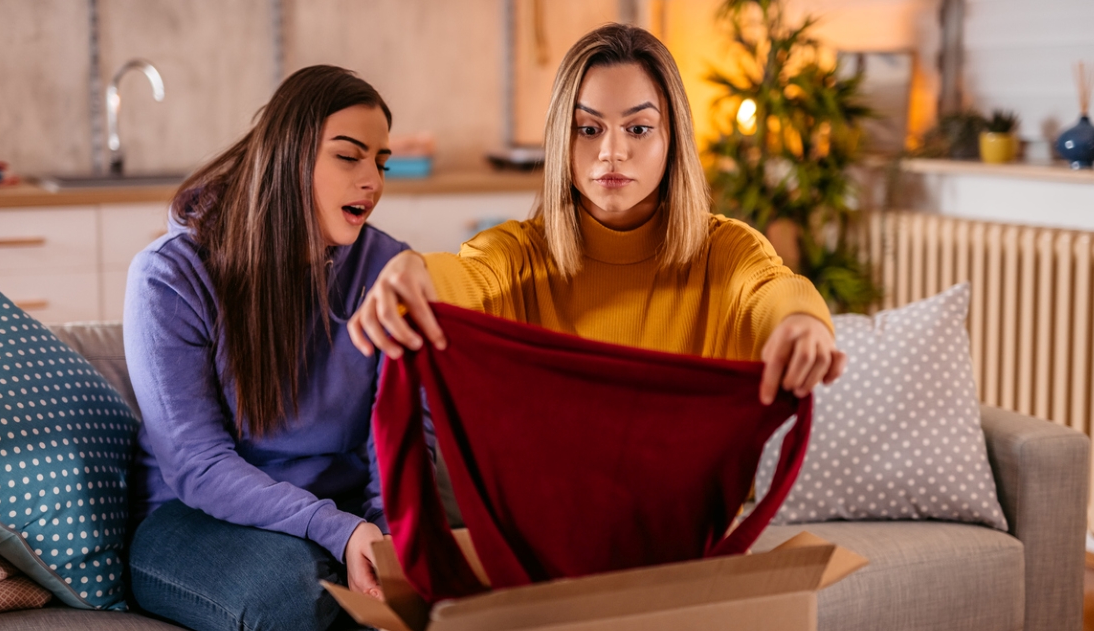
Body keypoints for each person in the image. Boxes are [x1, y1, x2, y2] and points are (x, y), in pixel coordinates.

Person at [347, 23, 846, 403]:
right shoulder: (519, 254)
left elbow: (776, 291)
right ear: (562, 140)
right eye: (589, 129)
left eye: (638, 129)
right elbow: (466, 274)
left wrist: (803, 323)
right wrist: (414, 271)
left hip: (694, 527)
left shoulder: (728, 251)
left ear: (674, 141)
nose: (611, 152)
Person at [124, 65, 403, 631]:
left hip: (336, 515)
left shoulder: (389, 269)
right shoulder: (170, 275)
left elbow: (396, 437)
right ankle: (337, 570)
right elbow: (197, 464)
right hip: (195, 517)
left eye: (381, 162)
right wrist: (342, 531)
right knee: (281, 594)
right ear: (288, 155)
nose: (371, 182)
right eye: (349, 157)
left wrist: (387, 535)